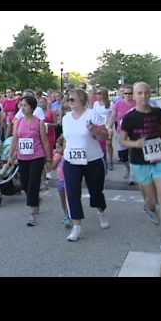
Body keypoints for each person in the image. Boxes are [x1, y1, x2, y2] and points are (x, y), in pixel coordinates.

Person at [120, 82, 161, 257]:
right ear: (134, 96)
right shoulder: (129, 118)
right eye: (140, 93)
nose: (143, 96)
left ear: (150, 95)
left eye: (146, 93)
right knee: (152, 199)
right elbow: (122, 140)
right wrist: (135, 143)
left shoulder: (157, 112)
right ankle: (149, 207)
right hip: (140, 162)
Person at [63, 89, 110, 242]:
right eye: (68, 99)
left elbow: (105, 136)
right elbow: (67, 139)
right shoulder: (66, 118)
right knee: (72, 192)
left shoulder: (92, 114)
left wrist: (94, 130)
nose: (70, 102)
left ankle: (101, 211)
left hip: (93, 160)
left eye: (72, 99)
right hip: (71, 161)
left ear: (82, 101)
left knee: (96, 191)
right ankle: (77, 226)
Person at [10, 96, 51, 226]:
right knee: (24, 183)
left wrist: (48, 157)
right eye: (21, 105)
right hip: (22, 157)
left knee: (33, 183)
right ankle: (35, 199)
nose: (22, 108)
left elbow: (45, 141)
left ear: (32, 107)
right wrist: (11, 155)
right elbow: (15, 139)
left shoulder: (39, 122)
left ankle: (32, 213)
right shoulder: (19, 121)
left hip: (37, 157)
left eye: (25, 105)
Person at [109, 84, 136, 181]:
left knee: (133, 154)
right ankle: (128, 169)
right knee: (123, 156)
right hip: (121, 132)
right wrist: (109, 127)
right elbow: (113, 116)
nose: (128, 95)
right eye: (126, 93)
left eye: (130, 93)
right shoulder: (118, 104)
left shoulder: (137, 103)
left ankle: (132, 175)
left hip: (134, 133)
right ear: (123, 94)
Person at [52, 136, 72, 228]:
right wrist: (56, 157)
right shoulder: (57, 155)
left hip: (69, 180)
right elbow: (52, 167)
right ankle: (66, 215)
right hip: (60, 180)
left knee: (70, 199)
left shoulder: (69, 155)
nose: (57, 149)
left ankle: (71, 216)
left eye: (59, 147)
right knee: (62, 200)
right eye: (56, 147)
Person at [93, 87, 113, 170]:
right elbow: (94, 115)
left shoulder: (110, 104)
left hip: (107, 126)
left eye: (99, 93)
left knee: (108, 144)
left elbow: (112, 116)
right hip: (98, 126)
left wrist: (109, 127)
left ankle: (110, 161)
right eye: (97, 93)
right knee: (100, 145)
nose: (97, 95)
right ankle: (103, 162)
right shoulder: (95, 104)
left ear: (104, 94)